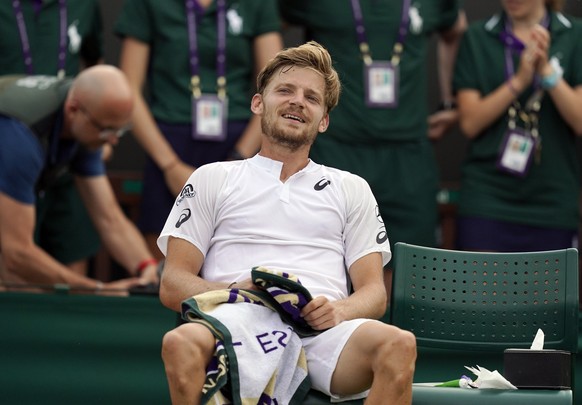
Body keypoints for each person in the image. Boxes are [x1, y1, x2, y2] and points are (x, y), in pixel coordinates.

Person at [158, 41, 416, 404]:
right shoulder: (211, 177)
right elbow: (172, 284)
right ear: (258, 103)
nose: (298, 101)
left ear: (323, 120)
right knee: (178, 343)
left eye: (312, 98)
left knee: (399, 344)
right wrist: (237, 290)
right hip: (238, 320)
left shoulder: (351, 188)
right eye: (285, 90)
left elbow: (374, 294)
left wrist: (338, 310)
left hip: (323, 334)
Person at [278, 1, 467, 300]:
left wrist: (450, 100)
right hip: (336, 149)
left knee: (407, 273)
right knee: (322, 267)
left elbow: (455, 29)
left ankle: (394, 343)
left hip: (408, 155)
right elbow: (264, 25)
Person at [115, 0, 283, 260]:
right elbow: (128, 91)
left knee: (240, 258)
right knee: (167, 260)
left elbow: (276, 87)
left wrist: (239, 160)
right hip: (170, 149)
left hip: (240, 148)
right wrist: (170, 166)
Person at [0, 65, 159, 293]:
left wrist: (147, 268)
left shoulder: (87, 122)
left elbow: (110, 219)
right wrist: (96, 289)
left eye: (120, 130)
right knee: (14, 284)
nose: (113, 141)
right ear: (73, 109)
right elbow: (16, 253)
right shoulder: (21, 136)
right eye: (107, 130)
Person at [453, 0, 582, 252]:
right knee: (481, 290)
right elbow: (469, 123)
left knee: (548, 292)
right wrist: (520, 80)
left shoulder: (575, 34)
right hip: (487, 198)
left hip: (551, 200)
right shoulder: (478, 37)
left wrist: (546, 71)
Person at [0, 0, 105, 277]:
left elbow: (96, 64)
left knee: (73, 254)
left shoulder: (84, 6)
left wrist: (98, 124)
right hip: (13, 146)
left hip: (65, 144)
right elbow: (16, 254)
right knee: (14, 269)